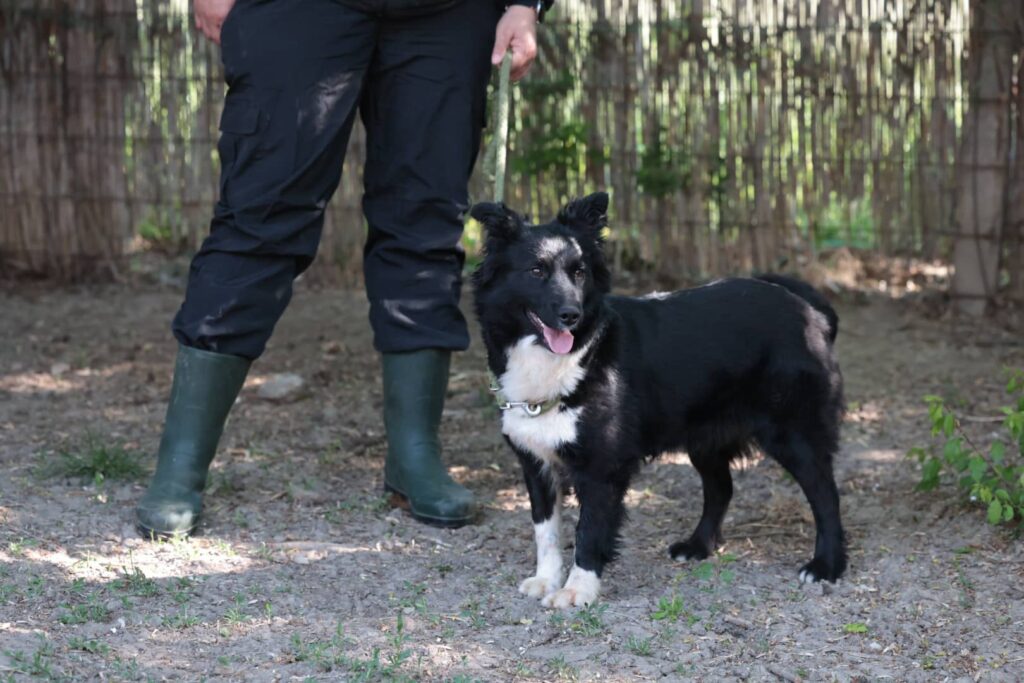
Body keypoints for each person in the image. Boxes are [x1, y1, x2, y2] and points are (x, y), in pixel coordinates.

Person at [135, 0, 553, 537]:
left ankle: (414, 460)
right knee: (260, 218)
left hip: (448, 14)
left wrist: (524, 3)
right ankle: (180, 467)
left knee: (426, 223)